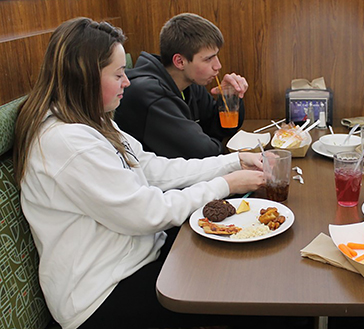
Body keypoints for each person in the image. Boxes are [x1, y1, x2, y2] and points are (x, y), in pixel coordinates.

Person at [13, 17, 268, 329]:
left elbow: (152, 168)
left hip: (139, 256)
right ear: (86, 78)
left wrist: (232, 163)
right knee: (248, 295)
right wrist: (224, 185)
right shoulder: (67, 142)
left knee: (244, 262)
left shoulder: (94, 119)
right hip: (101, 295)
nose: (127, 82)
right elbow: (146, 213)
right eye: (118, 74)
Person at [114, 13, 248, 159]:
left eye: (216, 55)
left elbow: (221, 129)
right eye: (209, 59)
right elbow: (204, 152)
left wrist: (229, 97)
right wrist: (209, 139)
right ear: (180, 61)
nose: (218, 66)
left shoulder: (189, 83)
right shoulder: (148, 94)